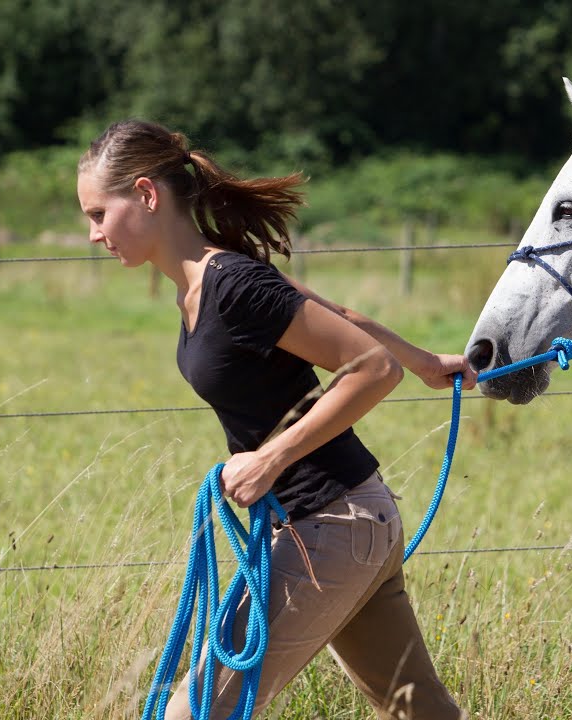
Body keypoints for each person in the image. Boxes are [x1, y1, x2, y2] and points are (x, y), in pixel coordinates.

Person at [77, 119, 475, 720]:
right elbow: (333, 312)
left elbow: (371, 369)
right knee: (420, 712)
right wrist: (423, 362)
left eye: (98, 214)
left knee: (194, 713)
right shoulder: (209, 285)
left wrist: (271, 457)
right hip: (342, 522)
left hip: (332, 525)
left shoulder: (231, 283)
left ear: (146, 194)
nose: (92, 234)